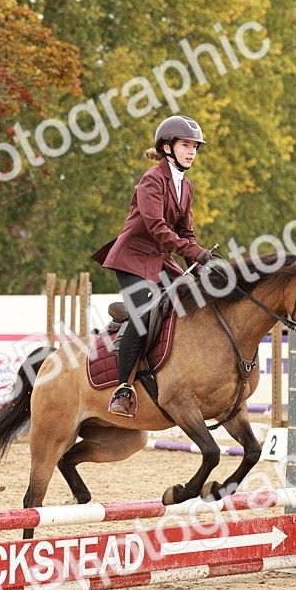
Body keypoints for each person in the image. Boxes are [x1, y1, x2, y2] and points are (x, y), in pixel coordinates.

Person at [91, 114, 212, 417]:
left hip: (160, 261)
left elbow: (185, 232)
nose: (192, 152)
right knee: (143, 315)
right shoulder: (152, 179)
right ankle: (122, 389)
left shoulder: (186, 185)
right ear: (167, 148)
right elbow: (157, 228)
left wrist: (201, 268)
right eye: (186, 145)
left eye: (195, 147)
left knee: (195, 300)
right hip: (132, 258)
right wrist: (193, 251)